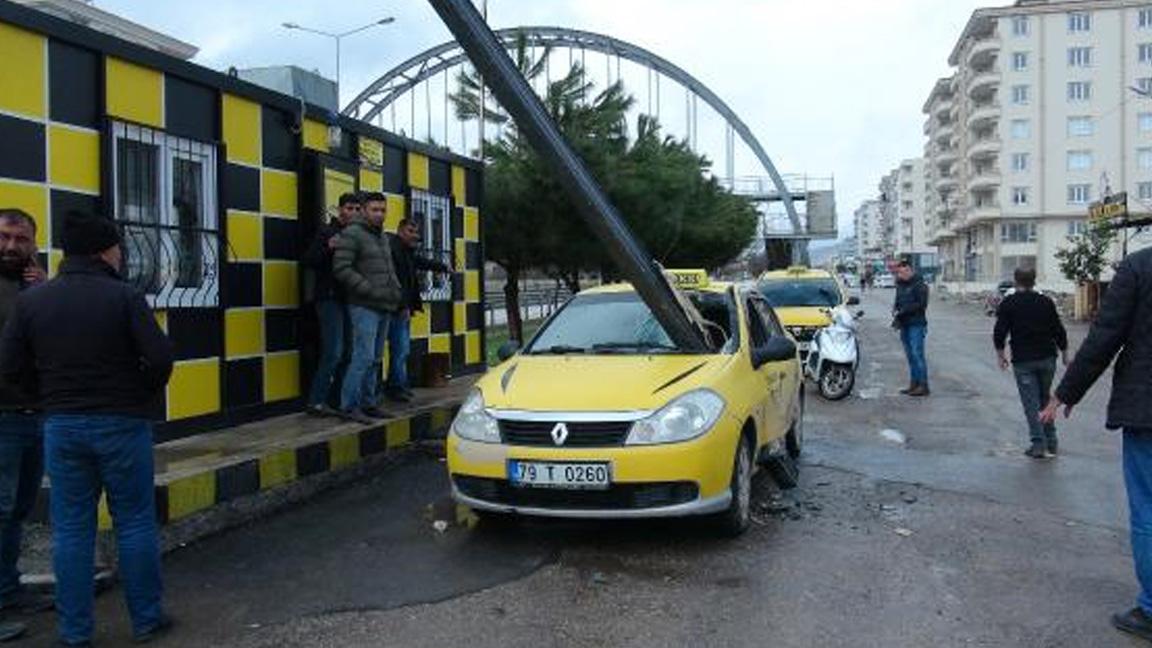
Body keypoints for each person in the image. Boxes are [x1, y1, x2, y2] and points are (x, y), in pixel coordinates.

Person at [0, 211, 174, 646]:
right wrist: (137, 395)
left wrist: (46, 399)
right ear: (105, 251)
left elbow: (10, 367)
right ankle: (146, 620)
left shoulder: (33, 301)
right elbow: (159, 359)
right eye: (117, 248)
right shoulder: (124, 297)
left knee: (72, 527)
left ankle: (74, 632)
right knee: (134, 521)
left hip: (61, 425)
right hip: (122, 423)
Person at [1040, 247, 1152, 642]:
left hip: (1147, 411)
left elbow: (1106, 335)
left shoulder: (1140, 266)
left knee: (1149, 512)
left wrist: (1066, 392)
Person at [0, 209, 47, 642]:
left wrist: (47, 293)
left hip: (35, 414)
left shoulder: (36, 284)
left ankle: (7, 589)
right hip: (3, 414)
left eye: (20, 238)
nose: (11, 245)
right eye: (4, 236)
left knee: (16, 510)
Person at [332, 192, 402, 423]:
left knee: (375, 358)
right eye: (375, 210)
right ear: (363, 210)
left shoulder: (382, 236)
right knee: (362, 357)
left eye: (383, 210)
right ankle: (348, 406)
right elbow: (341, 268)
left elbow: (388, 270)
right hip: (363, 305)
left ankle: (369, 403)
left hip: (384, 304)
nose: (380, 214)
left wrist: (397, 294)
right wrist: (368, 289)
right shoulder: (352, 233)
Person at [993, 267, 1068, 459]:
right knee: (1045, 399)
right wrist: (1065, 352)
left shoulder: (1009, 303)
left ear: (1016, 281)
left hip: (1024, 360)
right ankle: (1051, 441)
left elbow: (1000, 331)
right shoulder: (1046, 302)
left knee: (1030, 403)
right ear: (1034, 281)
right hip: (1047, 358)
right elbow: (1058, 329)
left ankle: (1038, 444)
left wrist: (1001, 355)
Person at [301, 193, 360, 416]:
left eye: (356, 209)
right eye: (349, 208)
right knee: (333, 351)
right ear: (339, 209)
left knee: (348, 352)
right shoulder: (327, 231)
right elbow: (308, 260)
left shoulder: (357, 236)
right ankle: (316, 401)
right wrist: (328, 246)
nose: (353, 212)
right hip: (329, 298)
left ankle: (335, 400)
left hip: (349, 299)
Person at [384, 218, 452, 403]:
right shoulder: (394, 250)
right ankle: (395, 388)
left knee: (400, 350)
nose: (414, 236)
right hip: (396, 309)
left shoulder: (406, 251)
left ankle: (397, 386)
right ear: (400, 231)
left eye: (415, 232)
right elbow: (397, 284)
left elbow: (422, 262)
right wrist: (403, 306)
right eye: (410, 231)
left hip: (401, 308)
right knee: (399, 349)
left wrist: (443, 266)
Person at [892, 260, 930, 396]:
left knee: (917, 354)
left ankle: (923, 385)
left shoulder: (920, 285)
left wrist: (903, 311)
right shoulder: (900, 285)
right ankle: (914, 384)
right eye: (899, 272)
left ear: (910, 270)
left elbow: (921, 304)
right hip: (904, 324)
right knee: (910, 356)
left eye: (903, 272)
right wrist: (896, 312)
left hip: (916, 324)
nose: (901, 275)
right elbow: (898, 302)